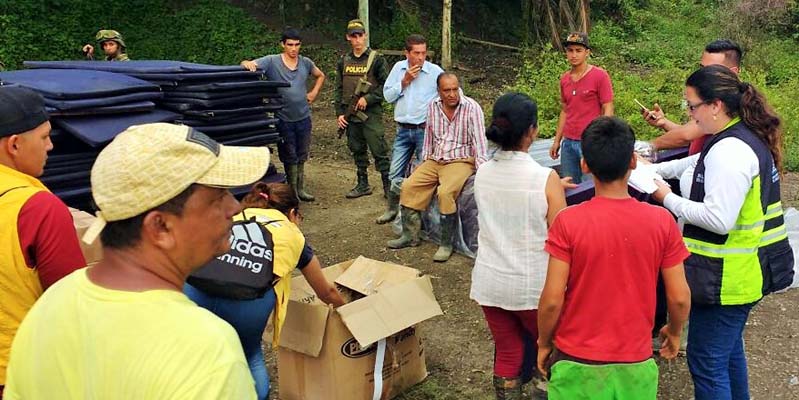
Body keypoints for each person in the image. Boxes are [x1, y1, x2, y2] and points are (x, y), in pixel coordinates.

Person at [5, 123, 270, 399]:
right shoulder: (206, 351)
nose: (235, 206)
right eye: (217, 198)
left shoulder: (49, 306)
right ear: (161, 227)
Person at [651, 65, 794, 400]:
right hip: (738, 274)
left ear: (715, 105)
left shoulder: (731, 150)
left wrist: (666, 197)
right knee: (727, 355)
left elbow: (718, 219)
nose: (689, 115)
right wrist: (650, 168)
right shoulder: (734, 136)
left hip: (727, 280)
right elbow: (696, 163)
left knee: (707, 361)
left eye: (692, 106)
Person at [538, 117, 691, 399]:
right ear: (633, 161)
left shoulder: (568, 222)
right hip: (635, 361)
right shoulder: (661, 221)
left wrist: (544, 342)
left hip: (576, 360)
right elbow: (680, 296)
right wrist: (674, 330)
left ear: (584, 165)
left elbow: (551, 299)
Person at [185, 182, 345, 400]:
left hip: (194, 291)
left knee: (195, 356)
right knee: (249, 355)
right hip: (246, 303)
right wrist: (348, 313)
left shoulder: (235, 213)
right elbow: (326, 292)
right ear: (292, 213)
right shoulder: (292, 234)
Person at [470, 93, 567, 400]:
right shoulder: (544, 177)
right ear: (532, 131)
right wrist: (555, 189)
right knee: (549, 349)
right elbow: (563, 236)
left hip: (490, 285)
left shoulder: (482, 172)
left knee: (508, 351)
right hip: (533, 290)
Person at [0, 86, 86, 396]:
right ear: (14, 144)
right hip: (14, 376)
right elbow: (70, 307)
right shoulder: (36, 208)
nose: (50, 146)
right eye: (44, 137)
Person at [387, 72, 488, 262]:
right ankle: (411, 235)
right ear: (439, 92)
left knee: (445, 192)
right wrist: (423, 160)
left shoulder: (472, 108)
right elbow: (430, 137)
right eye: (447, 90)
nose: (452, 94)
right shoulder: (433, 107)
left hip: (460, 160)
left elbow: (480, 142)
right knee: (409, 186)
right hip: (436, 159)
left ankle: (446, 243)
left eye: (454, 89)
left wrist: (481, 170)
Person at [240, 28, 325, 202]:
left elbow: (320, 75)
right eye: (290, 45)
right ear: (283, 44)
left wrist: (314, 92)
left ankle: (300, 189)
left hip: (303, 116)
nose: (294, 48)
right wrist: (246, 63)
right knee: (289, 155)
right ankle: (291, 192)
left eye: (297, 45)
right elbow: (248, 64)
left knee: (302, 153)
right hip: (283, 117)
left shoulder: (305, 62)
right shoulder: (272, 61)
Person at [378, 34, 443, 224]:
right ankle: (391, 209)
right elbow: (387, 96)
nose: (421, 57)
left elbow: (452, 92)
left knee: (423, 174)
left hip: (425, 131)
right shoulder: (399, 69)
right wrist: (404, 81)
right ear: (407, 53)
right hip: (403, 130)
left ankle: (421, 216)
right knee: (394, 172)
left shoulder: (434, 72)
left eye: (423, 53)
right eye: (416, 53)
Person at [644, 39, 743, 154]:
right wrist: (664, 123)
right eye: (702, 68)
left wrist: (646, 147)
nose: (702, 74)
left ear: (733, 72)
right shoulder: (713, 94)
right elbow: (693, 133)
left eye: (710, 69)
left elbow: (686, 136)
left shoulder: (730, 100)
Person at [335, 19, 391, 199]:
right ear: (348, 38)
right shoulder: (343, 61)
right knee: (357, 149)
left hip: (371, 115)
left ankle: (388, 187)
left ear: (365, 36)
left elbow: (386, 86)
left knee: (379, 150)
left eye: (360, 35)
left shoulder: (376, 60)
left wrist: (368, 98)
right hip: (350, 115)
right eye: (353, 36)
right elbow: (339, 89)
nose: (357, 39)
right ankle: (363, 184)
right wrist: (339, 114)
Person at [549, 32, 614, 184]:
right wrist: (557, 140)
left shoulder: (600, 76)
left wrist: (602, 137)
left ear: (587, 53)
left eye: (578, 50)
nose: (574, 55)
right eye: (570, 50)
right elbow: (565, 110)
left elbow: (608, 108)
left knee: (592, 185)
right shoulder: (565, 79)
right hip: (568, 142)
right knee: (570, 185)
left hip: (590, 141)